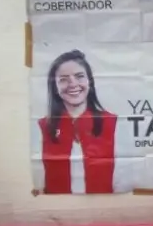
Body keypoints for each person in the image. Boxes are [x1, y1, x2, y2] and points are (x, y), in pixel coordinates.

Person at [37, 50, 120, 194]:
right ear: (55, 88)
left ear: (90, 81)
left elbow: (123, 183)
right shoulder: (42, 127)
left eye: (79, 76)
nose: (73, 84)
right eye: (63, 79)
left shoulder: (113, 123)